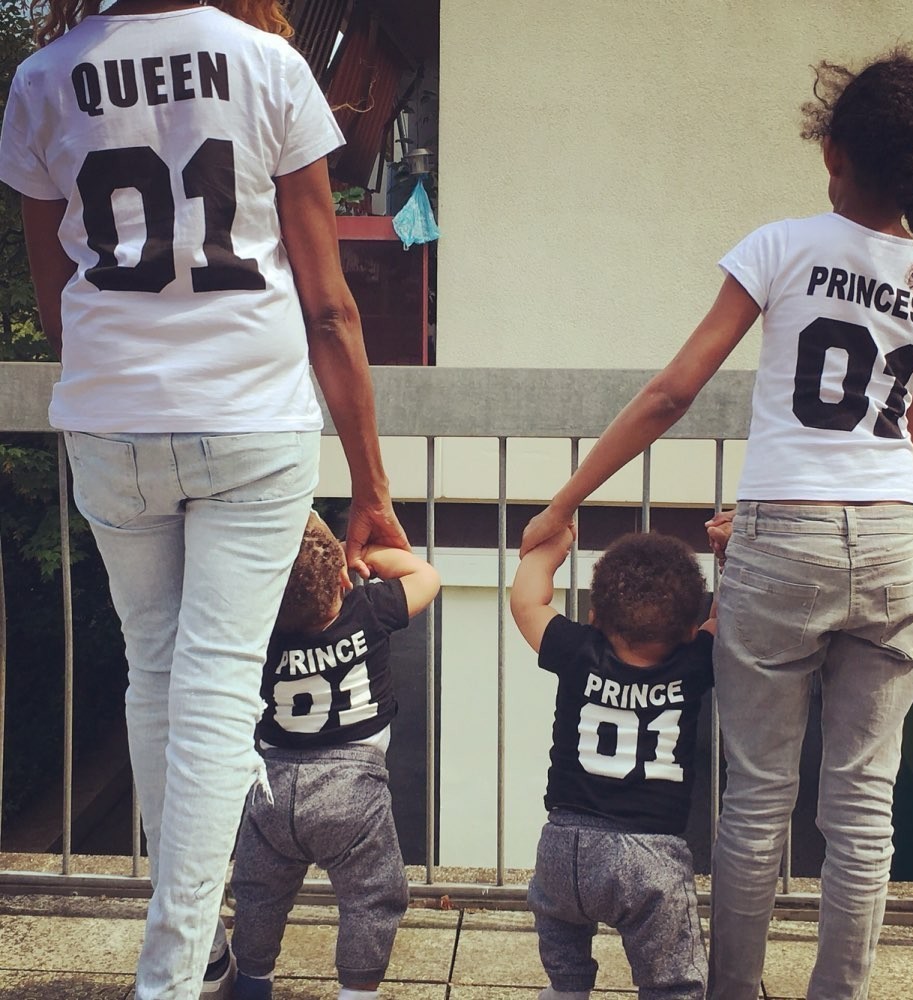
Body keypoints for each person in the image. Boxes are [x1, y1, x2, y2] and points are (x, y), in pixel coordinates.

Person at [519, 49, 913, 1000]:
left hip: (781, 550)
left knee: (758, 805)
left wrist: (565, 499)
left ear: (832, 152)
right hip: (892, 549)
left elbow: (672, 394)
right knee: (862, 810)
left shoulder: (781, 247)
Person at [0, 2, 409, 997]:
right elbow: (329, 307)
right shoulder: (266, 63)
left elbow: (55, 301)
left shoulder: (44, 78)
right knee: (219, 686)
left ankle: (195, 950)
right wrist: (371, 484)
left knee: (155, 669)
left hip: (112, 422)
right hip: (250, 417)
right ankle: (174, 971)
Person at [228, 510, 440, 1000]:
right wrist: (365, 553)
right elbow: (426, 576)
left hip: (272, 787)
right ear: (343, 579)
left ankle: (253, 981)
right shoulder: (368, 609)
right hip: (351, 791)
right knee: (371, 896)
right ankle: (357, 992)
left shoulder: (257, 631)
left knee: (259, 893)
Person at [511, 529, 716, 1000]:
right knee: (673, 978)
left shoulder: (577, 650)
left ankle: (566, 989)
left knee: (562, 934)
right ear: (689, 629)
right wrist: (732, 557)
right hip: (649, 856)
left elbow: (525, 603)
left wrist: (551, 548)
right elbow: (723, 619)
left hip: (565, 845)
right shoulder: (696, 661)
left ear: (594, 617)